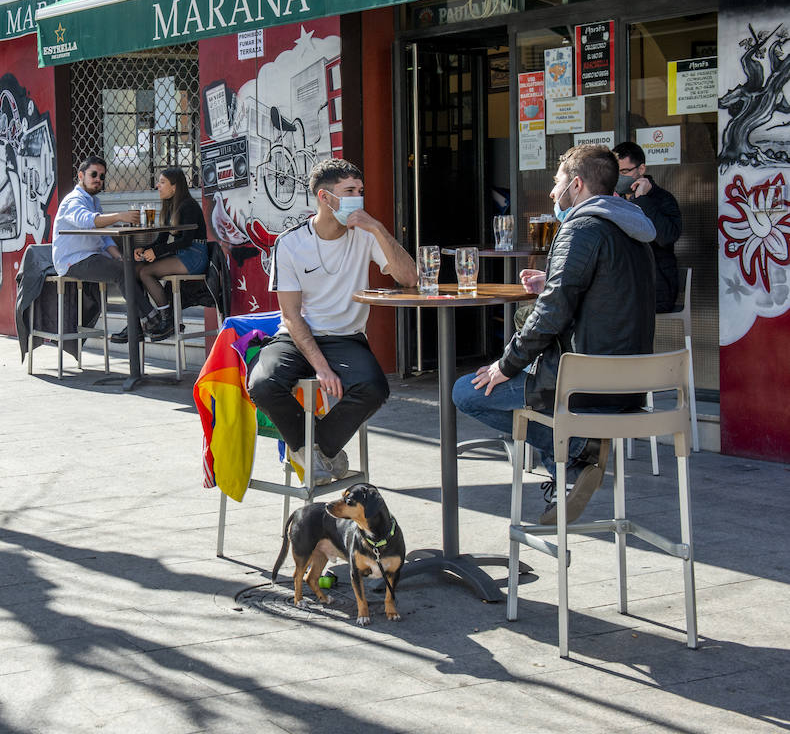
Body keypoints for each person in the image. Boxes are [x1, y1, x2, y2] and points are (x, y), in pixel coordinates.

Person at [453, 144, 657, 525]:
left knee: (466, 392)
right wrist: (554, 281)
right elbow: (610, 290)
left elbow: (550, 315)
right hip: (632, 384)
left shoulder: (579, 228)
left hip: (585, 384)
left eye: (557, 181)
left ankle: (575, 453)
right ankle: (569, 462)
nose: (552, 192)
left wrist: (507, 365)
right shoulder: (635, 230)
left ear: (576, 184)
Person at [247, 159, 417, 485]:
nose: (358, 198)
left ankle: (315, 451)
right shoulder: (290, 243)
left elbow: (409, 278)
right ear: (325, 198)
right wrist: (321, 366)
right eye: (349, 191)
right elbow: (291, 315)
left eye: (361, 191)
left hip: (346, 336)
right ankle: (314, 451)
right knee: (262, 384)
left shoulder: (367, 236)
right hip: (297, 336)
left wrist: (378, 229)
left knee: (374, 387)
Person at [117, 167, 207, 343]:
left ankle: (165, 319)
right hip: (180, 253)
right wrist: (145, 249)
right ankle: (141, 319)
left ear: (174, 187)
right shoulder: (169, 206)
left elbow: (186, 241)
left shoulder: (188, 206)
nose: (157, 185)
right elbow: (162, 239)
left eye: (162, 182)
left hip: (194, 254)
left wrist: (156, 252)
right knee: (136, 269)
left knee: (145, 272)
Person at [614, 141, 682, 313]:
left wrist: (642, 200)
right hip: (624, 287)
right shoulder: (616, 199)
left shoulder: (663, 199)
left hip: (655, 290)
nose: (619, 178)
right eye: (616, 173)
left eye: (624, 172)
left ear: (641, 169)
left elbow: (666, 237)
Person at [51, 156, 140, 286]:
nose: (98, 179)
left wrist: (119, 257)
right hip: (74, 260)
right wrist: (119, 216)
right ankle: (145, 308)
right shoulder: (74, 199)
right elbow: (85, 221)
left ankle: (154, 307)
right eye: (93, 174)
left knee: (134, 268)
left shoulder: (94, 201)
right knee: (122, 272)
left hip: (93, 256)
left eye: (102, 176)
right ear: (81, 176)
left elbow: (104, 237)